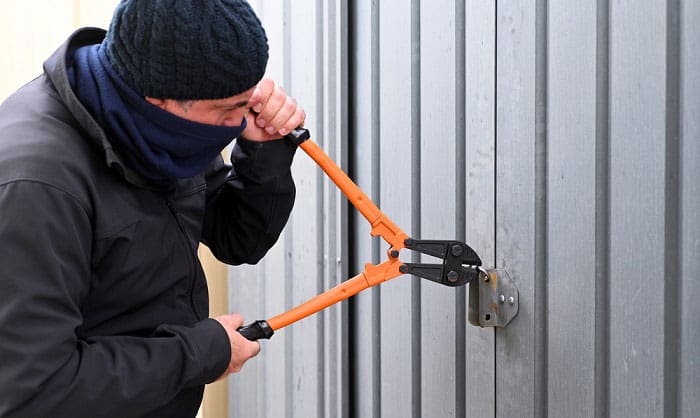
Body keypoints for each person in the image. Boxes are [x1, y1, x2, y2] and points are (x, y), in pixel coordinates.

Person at [0, 1, 304, 417]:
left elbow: (237, 238)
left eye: (247, 100)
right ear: (159, 99)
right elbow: (34, 391)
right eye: (228, 108)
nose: (242, 118)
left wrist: (263, 149)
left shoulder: (153, 127)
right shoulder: (37, 184)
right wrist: (200, 352)